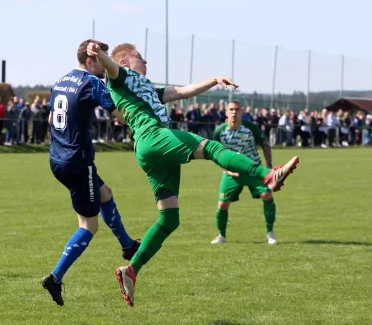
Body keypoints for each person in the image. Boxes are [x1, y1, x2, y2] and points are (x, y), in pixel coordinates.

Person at [86, 42, 299, 307]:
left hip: (151, 150)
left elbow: (183, 91)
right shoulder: (122, 77)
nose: (146, 61)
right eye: (140, 57)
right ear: (127, 63)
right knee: (211, 147)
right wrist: (99, 53)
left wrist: (213, 79)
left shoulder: (148, 87)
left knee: (169, 218)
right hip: (154, 137)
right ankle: (268, 175)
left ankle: (131, 270)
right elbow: (110, 66)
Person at [41, 40, 140, 306]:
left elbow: (51, 119)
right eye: (102, 59)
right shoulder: (92, 83)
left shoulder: (61, 81)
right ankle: (56, 277)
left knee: (105, 193)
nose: (105, 65)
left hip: (57, 159)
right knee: (89, 226)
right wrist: (140, 116)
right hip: (78, 161)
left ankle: (127, 244)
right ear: (90, 60)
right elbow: (119, 114)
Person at [211, 100, 278, 245]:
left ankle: (270, 233)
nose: (234, 112)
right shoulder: (219, 131)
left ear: (242, 112)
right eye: (231, 109)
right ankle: (221, 235)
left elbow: (265, 144)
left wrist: (269, 168)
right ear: (226, 112)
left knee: (267, 195)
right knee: (222, 204)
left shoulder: (250, 128)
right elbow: (214, 154)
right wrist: (226, 170)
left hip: (253, 170)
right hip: (231, 174)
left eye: (237, 110)